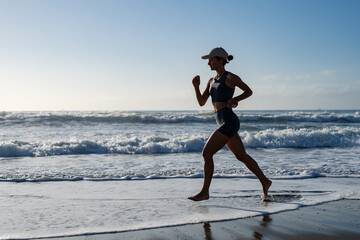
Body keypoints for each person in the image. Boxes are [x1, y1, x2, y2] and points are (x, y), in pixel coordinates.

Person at [189, 47, 272, 201]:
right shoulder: (211, 81)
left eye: (211, 60)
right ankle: (265, 181)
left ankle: (205, 192)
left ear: (221, 60)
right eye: (208, 61)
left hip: (229, 121)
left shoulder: (230, 78)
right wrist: (196, 87)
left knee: (207, 153)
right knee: (241, 156)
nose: (209, 63)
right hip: (221, 121)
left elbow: (248, 91)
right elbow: (201, 102)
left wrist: (236, 100)